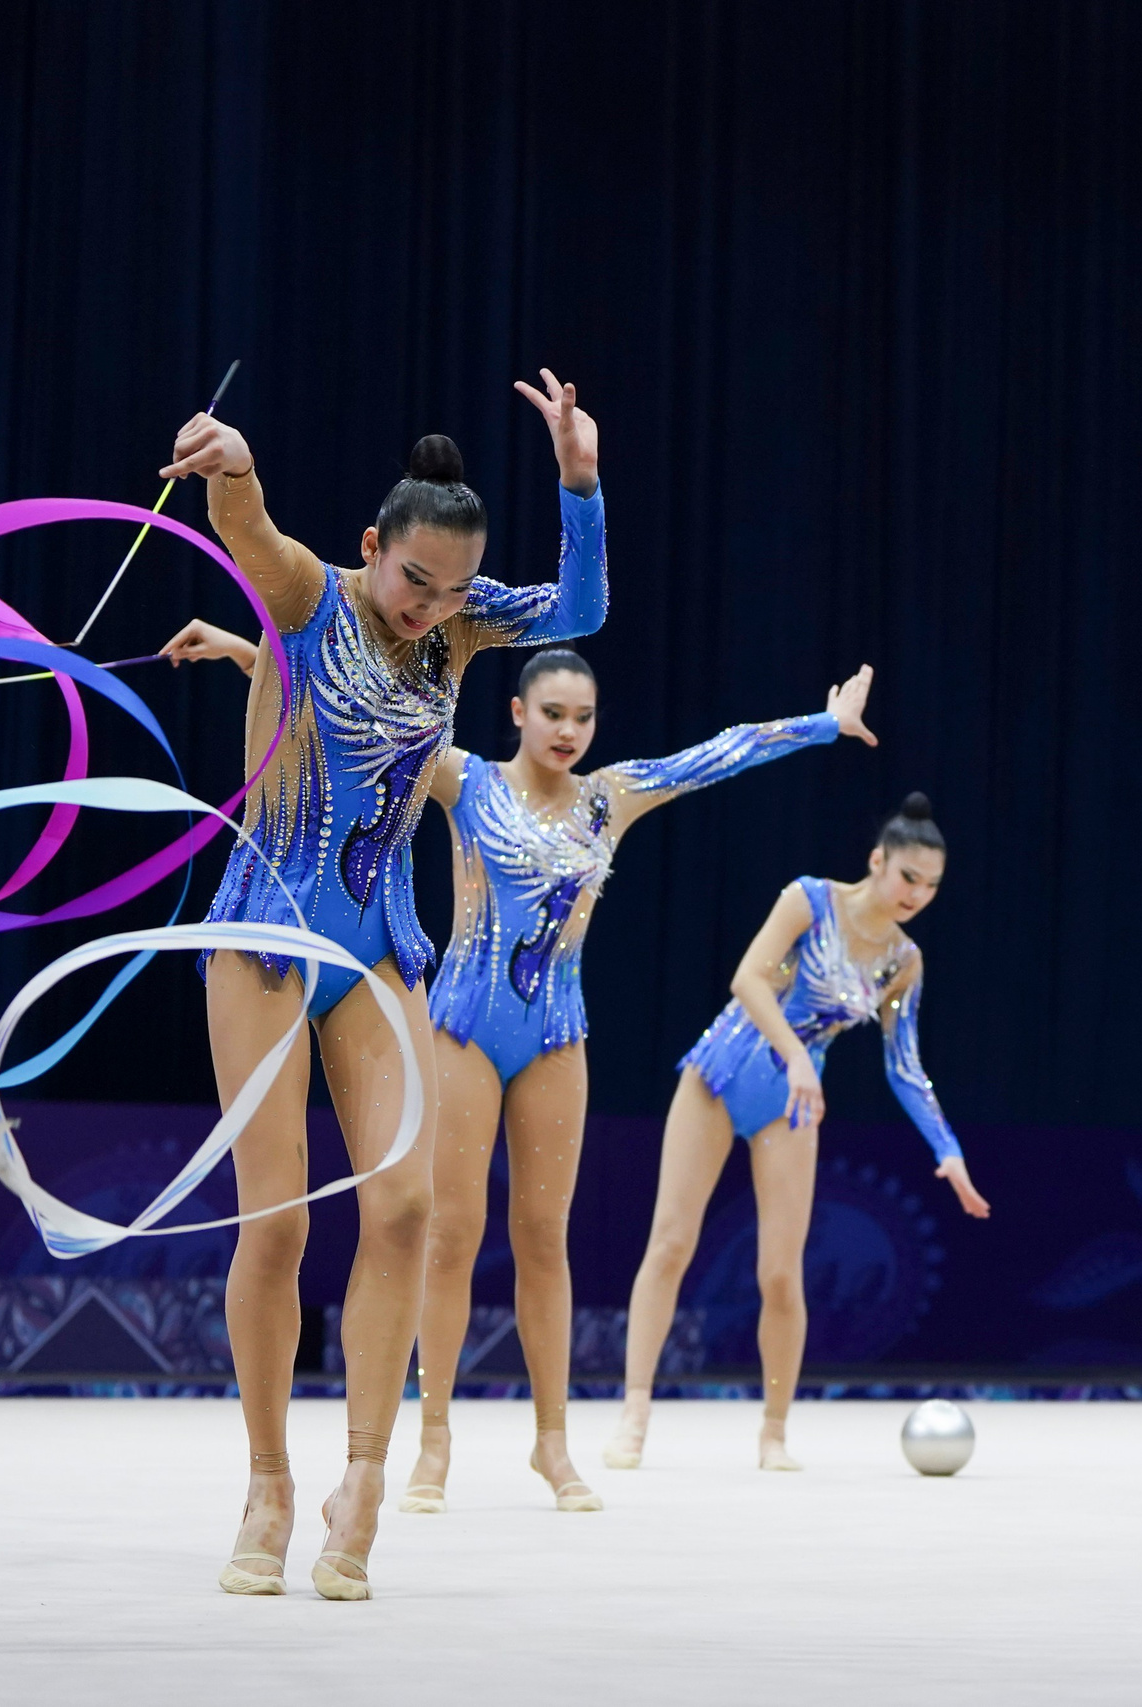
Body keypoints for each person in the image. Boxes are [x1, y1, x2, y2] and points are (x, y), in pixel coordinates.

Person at [158, 370, 603, 1601]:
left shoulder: (459, 632)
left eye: (455, 589)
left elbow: (581, 606)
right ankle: (266, 1483)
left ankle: (361, 1477)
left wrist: (578, 483)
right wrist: (236, 464)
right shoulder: (311, 597)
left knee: (405, 1206)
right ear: (371, 547)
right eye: (416, 581)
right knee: (278, 1221)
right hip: (265, 934)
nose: (433, 608)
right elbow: (246, 529)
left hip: (378, 945)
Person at [400, 650, 880, 1516]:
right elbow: (359, 720)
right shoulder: (464, 780)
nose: (568, 731)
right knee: (452, 1234)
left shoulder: (608, 798)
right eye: (553, 713)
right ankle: (433, 1439)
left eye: (582, 717)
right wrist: (258, 653)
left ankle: (553, 1444)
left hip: (554, 1035)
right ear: (517, 711)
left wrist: (823, 725)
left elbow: (719, 753)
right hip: (464, 1025)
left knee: (544, 1238)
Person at [605, 794, 990, 1474]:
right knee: (670, 1243)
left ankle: (774, 1434)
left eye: (931, 885)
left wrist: (949, 1151)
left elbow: (905, 1067)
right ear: (878, 861)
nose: (917, 894)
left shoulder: (903, 960)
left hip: (790, 1104)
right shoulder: (809, 900)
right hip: (721, 1074)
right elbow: (748, 980)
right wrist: (796, 1058)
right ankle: (634, 1413)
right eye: (908, 876)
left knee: (782, 1273)